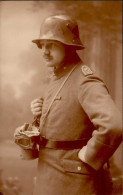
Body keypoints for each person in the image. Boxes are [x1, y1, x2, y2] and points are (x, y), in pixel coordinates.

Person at [15, 15, 122, 195]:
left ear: (69, 47)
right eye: (43, 45)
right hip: (49, 177)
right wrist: (39, 116)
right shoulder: (58, 77)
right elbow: (67, 123)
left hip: (72, 183)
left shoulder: (84, 80)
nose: (45, 51)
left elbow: (113, 126)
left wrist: (89, 156)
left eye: (52, 45)